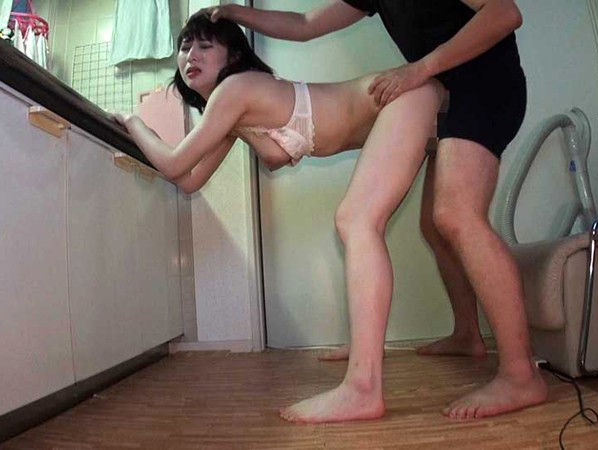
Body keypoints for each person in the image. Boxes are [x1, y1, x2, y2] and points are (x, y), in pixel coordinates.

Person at [205, 0, 548, 421]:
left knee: (456, 214)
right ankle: (467, 334)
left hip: (485, 83)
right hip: (448, 93)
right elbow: (305, 23)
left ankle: (520, 374)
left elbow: (504, 13)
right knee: (435, 224)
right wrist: (239, 13)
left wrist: (419, 70)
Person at [112, 11, 445, 423]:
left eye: (205, 45)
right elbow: (191, 180)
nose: (190, 55)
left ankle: (364, 389)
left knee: (359, 221)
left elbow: (176, 163)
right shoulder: (231, 111)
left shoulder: (234, 89)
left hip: (403, 96)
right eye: (184, 47)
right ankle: (461, 336)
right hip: (411, 103)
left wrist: (134, 123)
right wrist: (151, 139)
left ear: (234, 55)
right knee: (439, 227)